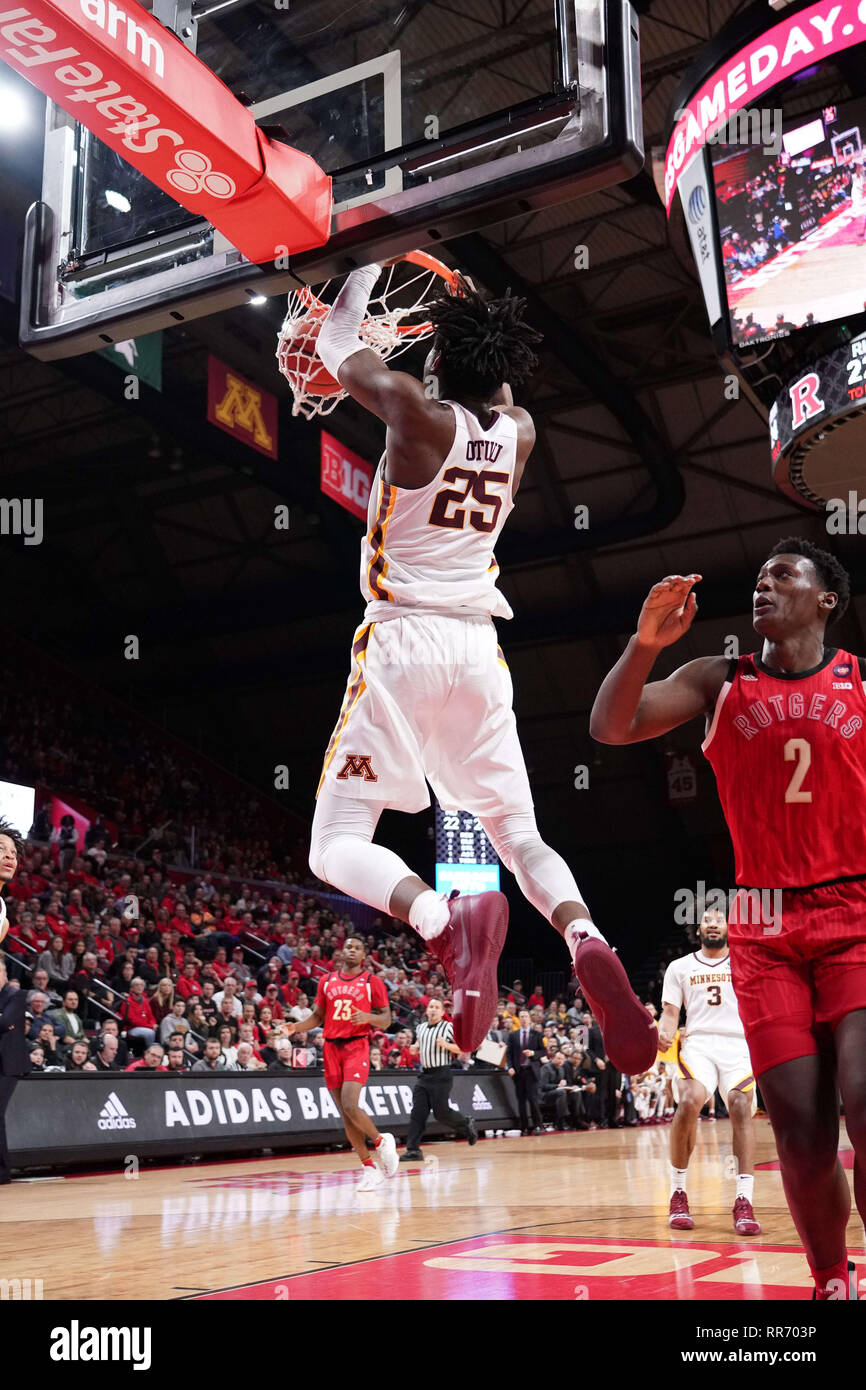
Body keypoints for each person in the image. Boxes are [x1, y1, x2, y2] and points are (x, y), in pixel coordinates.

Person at [302, 269, 656, 1076]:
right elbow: (493, 392)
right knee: (521, 836)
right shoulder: (521, 430)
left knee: (335, 844)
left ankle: (442, 920)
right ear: (500, 377)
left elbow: (334, 345)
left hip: (403, 641)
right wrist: (470, 314)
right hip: (478, 652)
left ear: (433, 372)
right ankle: (584, 935)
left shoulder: (411, 411)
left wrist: (360, 270)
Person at [590, 538, 866, 1300]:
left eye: (785, 576)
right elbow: (612, 727)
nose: (764, 586)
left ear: (826, 600)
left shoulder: (860, 682)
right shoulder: (719, 680)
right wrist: (644, 646)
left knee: (865, 1093)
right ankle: (831, 1280)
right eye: (758, 579)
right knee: (803, 1138)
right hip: (765, 927)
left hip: (857, 912)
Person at [659, 907, 761, 1236]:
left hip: (738, 1044)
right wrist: (665, 1031)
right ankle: (678, 1192)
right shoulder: (680, 967)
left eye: (719, 919)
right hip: (699, 1043)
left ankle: (744, 1201)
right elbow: (671, 1012)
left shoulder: (746, 962)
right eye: (707, 919)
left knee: (741, 1105)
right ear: (698, 928)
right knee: (688, 1101)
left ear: (729, 927)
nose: (713, 923)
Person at [284, 935, 398, 1192]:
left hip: (356, 1046)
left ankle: (381, 1141)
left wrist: (367, 1017)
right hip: (331, 1047)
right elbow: (317, 1017)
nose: (352, 950)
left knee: (350, 1102)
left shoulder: (372, 981)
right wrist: (294, 1027)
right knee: (345, 1115)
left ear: (364, 955)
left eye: (357, 947)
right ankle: (369, 1168)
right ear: (341, 951)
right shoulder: (326, 980)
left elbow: (387, 1019)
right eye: (348, 946)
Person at [400, 998, 478, 1160]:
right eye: (431, 1007)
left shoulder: (448, 1027)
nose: (433, 1009)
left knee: (441, 1113)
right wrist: (414, 1048)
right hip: (424, 1075)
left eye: (437, 1007)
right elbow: (418, 1047)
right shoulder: (420, 1028)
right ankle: (413, 1150)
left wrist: (447, 1045)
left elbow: (464, 1047)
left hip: (441, 1075)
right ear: (427, 1011)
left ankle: (465, 1124)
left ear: (442, 1012)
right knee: (417, 1113)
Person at [506, 1009, 544, 1135]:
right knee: (521, 1100)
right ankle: (524, 1126)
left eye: (526, 1016)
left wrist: (533, 1053)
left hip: (531, 1071)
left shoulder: (537, 1034)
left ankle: (538, 1125)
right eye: (521, 1016)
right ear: (519, 1019)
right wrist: (510, 1067)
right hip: (519, 1071)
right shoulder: (513, 1035)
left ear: (529, 1018)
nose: (523, 1018)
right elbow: (509, 1054)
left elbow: (543, 1052)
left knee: (533, 1099)